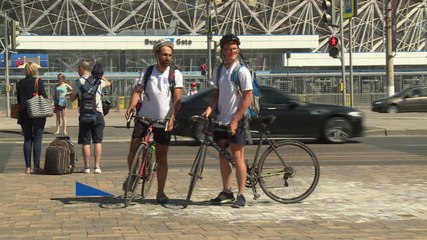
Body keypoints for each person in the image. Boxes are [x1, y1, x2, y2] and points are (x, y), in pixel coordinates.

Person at [124, 39, 183, 204]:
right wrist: (131, 106)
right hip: (144, 117)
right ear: (157, 55)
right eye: (164, 54)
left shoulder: (175, 74)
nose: (168, 58)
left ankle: (161, 192)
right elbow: (138, 91)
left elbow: (177, 99)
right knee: (133, 147)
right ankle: (132, 175)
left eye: (170, 55)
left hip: (163, 120)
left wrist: (172, 117)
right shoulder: (148, 71)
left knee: (161, 156)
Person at [201, 34, 253, 208]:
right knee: (223, 155)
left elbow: (248, 98)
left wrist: (235, 120)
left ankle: (241, 194)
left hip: (235, 121)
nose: (232, 52)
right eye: (228, 49)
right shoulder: (218, 70)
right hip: (221, 120)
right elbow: (216, 94)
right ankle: (226, 191)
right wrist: (209, 109)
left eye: (234, 49)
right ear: (222, 51)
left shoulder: (242, 71)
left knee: (237, 156)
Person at [70, 60, 111, 174]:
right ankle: (97, 167)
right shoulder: (98, 81)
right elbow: (109, 83)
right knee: (97, 141)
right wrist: (101, 76)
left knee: (86, 142)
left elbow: (72, 98)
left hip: (84, 115)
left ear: (81, 68)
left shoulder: (78, 82)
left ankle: (86, 167)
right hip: (98, 113)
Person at [16, 62, 48, 174]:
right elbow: (44, 97)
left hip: (24, 114)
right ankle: (37, 167)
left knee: (27, 139)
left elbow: (19, 100)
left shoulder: (20, 83)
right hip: (38, 114)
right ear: (34, 70)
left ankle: (27, 168)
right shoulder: (38, 81)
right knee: (37, 139)